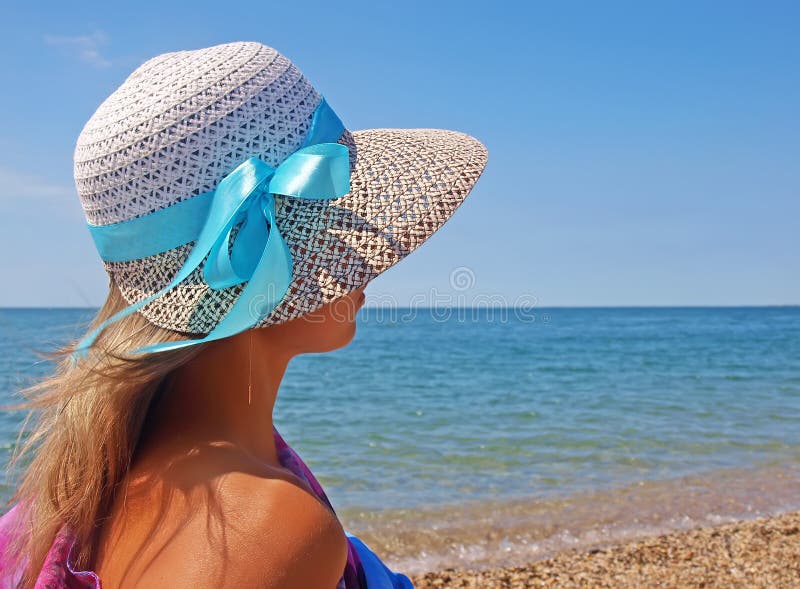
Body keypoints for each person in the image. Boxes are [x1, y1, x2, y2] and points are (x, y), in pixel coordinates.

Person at [0, 40, 488, 588]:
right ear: (257, 258)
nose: (363, 258)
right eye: (334, 220)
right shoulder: (267, 532)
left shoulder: (110, 481)